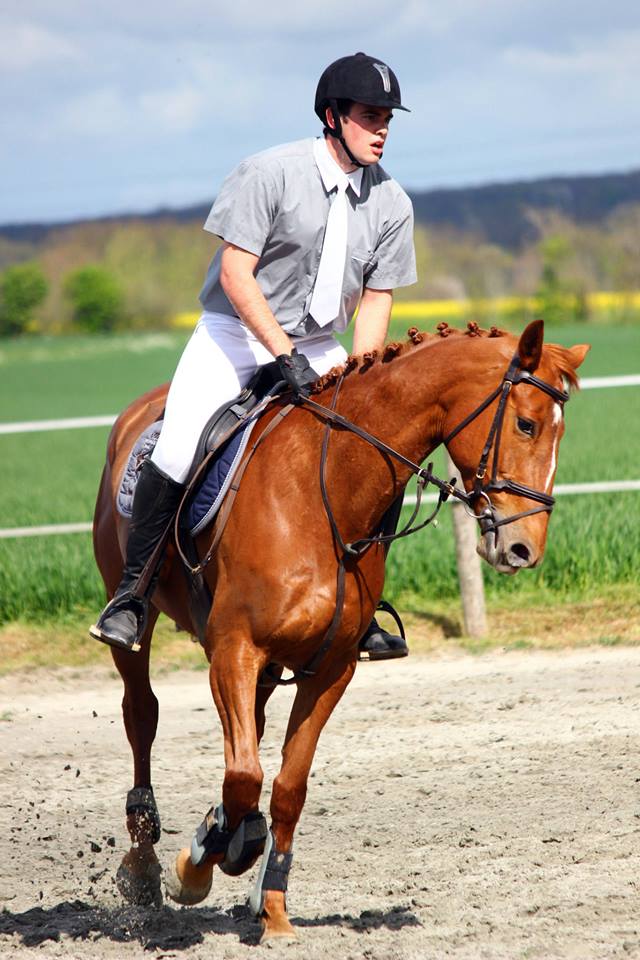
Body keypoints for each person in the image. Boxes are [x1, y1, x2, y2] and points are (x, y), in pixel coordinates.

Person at [90, 51, 417, 660]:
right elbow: (236, 275)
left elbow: (377, 299)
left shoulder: (392, 202)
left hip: (318, 343)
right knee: (179, 444)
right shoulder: (267, 173)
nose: (381, 131)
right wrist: (282, 354)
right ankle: (132, 594)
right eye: (370, 117)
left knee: (376, 451)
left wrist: (365, 381)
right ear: (332, 116)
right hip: (234, 332)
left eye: (387, 121)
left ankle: (362, 603)